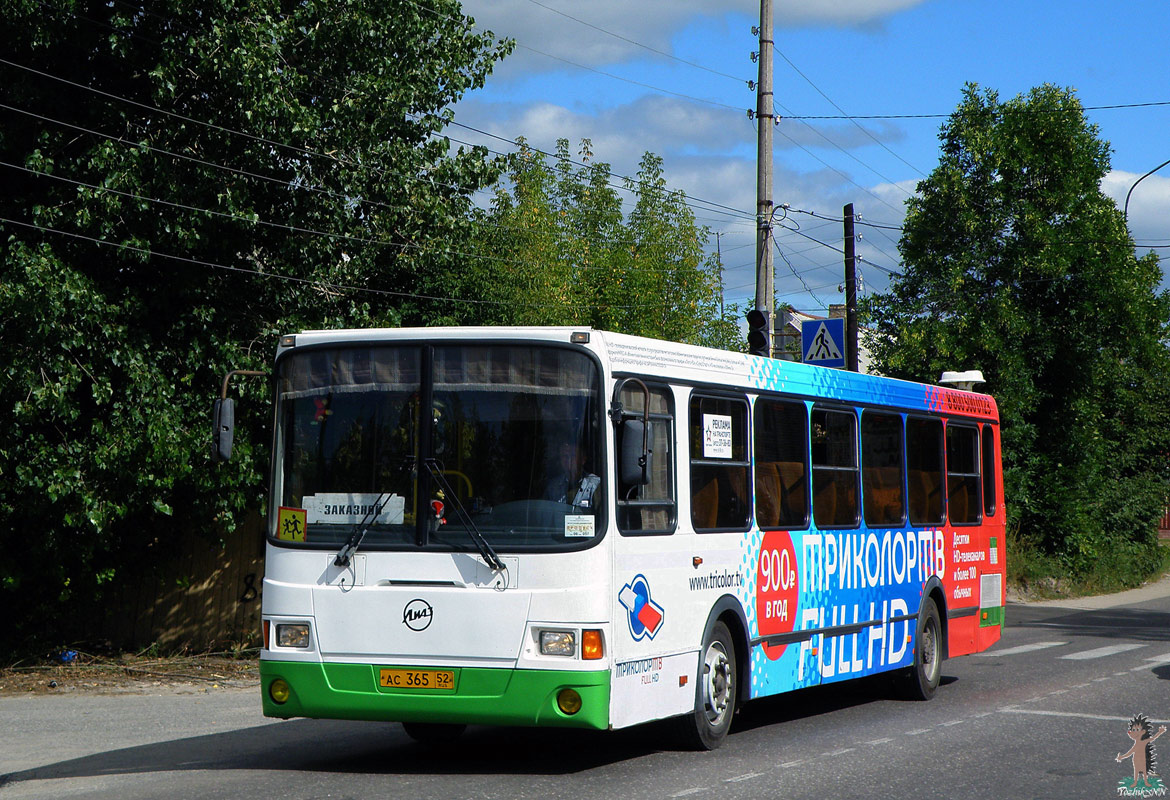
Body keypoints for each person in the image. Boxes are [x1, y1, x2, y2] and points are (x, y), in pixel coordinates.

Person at [545, 440, 599, 509]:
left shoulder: (595, 485)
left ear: (583, 459)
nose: (569, 460)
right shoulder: (553, 487)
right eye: (565, 456)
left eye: (573, 456)